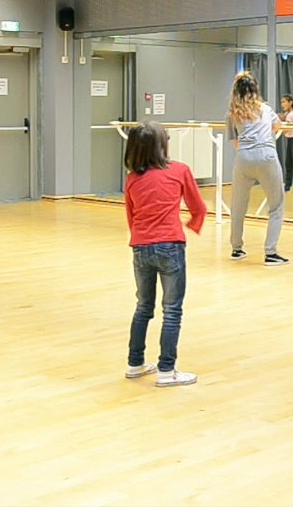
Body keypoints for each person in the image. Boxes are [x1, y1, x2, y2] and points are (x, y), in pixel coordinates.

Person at [122, 122, 207, 388]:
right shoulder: (179, 170)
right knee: (172, 310)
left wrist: (142, 238)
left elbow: (131, 217)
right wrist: (193, 225)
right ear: (162, 145)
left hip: (140, 247)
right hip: (170, 244)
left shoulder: (132, 179)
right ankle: (167, 370)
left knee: (143, 307)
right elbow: (199, 207)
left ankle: (135, 363)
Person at [226, 71, 288, 266]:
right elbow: (278, 126)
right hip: (266, 155)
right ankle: (271, 252)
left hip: (243, 157)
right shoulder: (265, 109)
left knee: (238, 204)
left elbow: (234, 142)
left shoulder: (232, 113)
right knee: (276, 205)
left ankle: (236, 248)